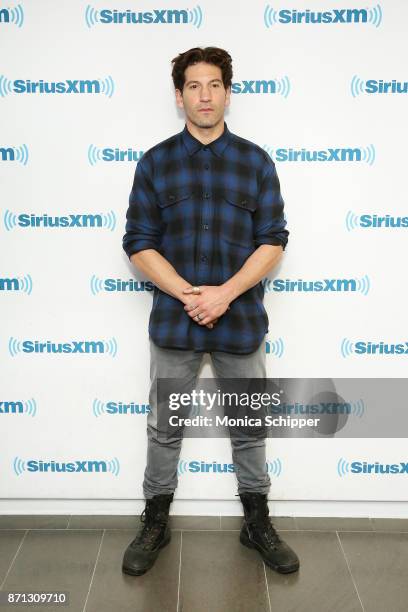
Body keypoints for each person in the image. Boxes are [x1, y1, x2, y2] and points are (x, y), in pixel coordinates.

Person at [121, 46, 300, 576]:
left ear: (227, 92)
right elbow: (138, 241)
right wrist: (188, 294)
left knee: (249, 426)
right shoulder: (155, 162)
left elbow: (273, 240)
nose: (205, 95)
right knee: (164, 427)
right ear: (179, 96)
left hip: (240, 321)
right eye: (194, 86)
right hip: (174, 322)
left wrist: (223, 294)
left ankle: (257, 522)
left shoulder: (255, 162)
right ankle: (155, 519)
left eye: (215, 85)